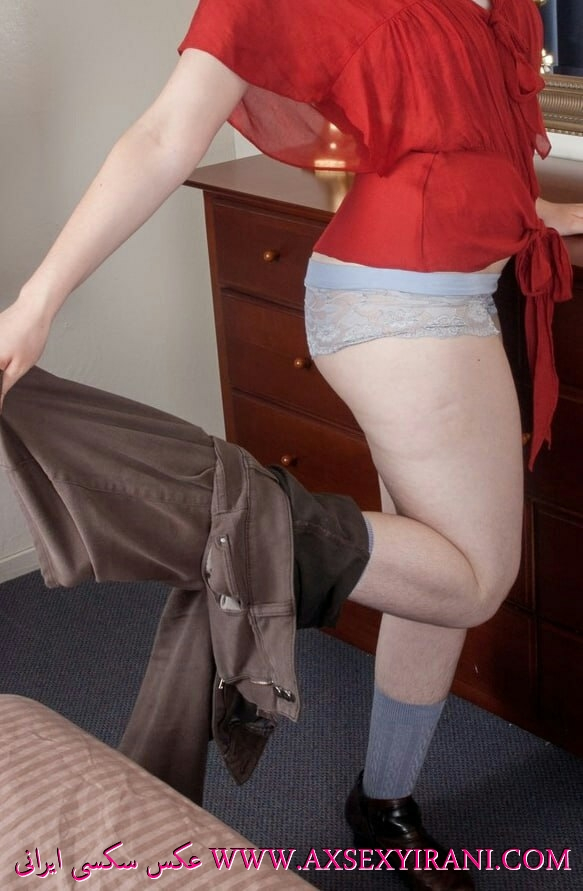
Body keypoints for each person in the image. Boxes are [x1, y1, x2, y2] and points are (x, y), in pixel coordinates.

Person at [1, 1, 583, 888]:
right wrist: (36, 302)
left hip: (432, 289)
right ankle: (248, 524)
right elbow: (164, 134)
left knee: (431, 580)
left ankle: (384, 801)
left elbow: (460, 135)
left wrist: (531, 207)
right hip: (405, 303)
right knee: (475, 576)